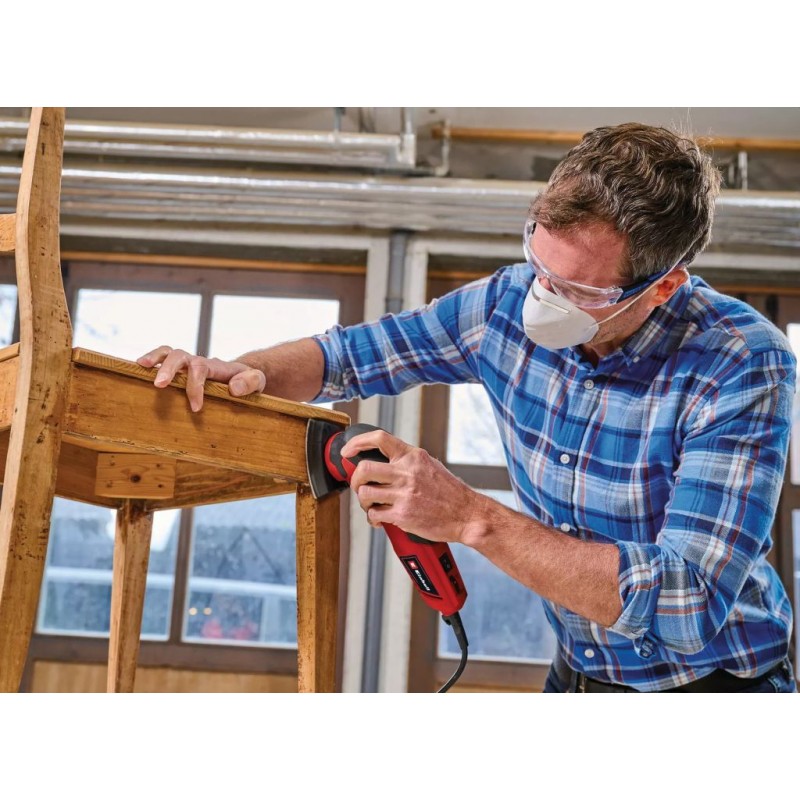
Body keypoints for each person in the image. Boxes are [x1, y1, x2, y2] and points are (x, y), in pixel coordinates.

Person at [138, 123, 797, 693]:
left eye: (576, 291)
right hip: (579, 671)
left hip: (715, 684)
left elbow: (686, 603)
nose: (542, 298)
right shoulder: (503, 304)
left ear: (663, 288)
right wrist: (246, 372)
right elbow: (349, 357)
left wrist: (469, 517)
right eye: (539, 264)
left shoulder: (740, 361)